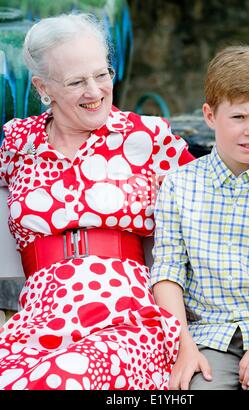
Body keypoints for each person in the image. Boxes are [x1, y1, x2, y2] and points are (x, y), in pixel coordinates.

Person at [0, 13, 194, 390]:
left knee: (69, 376)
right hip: (40, 317)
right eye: (76, 81)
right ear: (43, 88)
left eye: (101, 74)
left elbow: (223, 183)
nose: (95, 90)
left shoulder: (147, 135)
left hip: (125, 314)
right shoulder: (17, 142)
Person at [150, 45, 249, 390]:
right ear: (210, 115)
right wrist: (184, 347)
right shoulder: (179, 186)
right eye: (238, 117)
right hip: (209, 339)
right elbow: (169, 273)